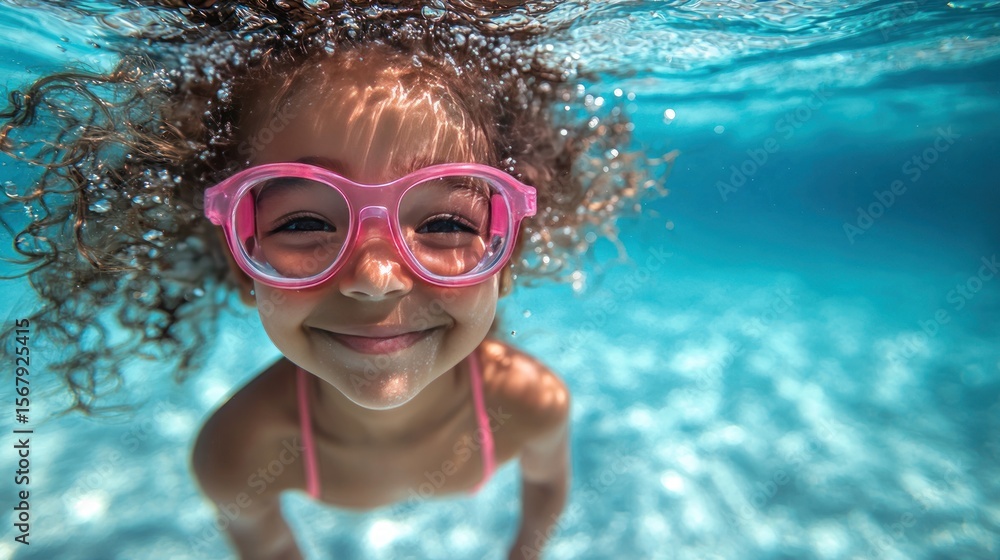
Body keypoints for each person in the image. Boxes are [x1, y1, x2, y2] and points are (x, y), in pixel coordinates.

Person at [0, 2, 664, 559]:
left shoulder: (532, 402)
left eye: (444, 223)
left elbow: (546, 490)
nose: (375, 278)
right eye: (302, 225)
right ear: (241, 261)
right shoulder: (237, 453)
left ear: (505, 253)